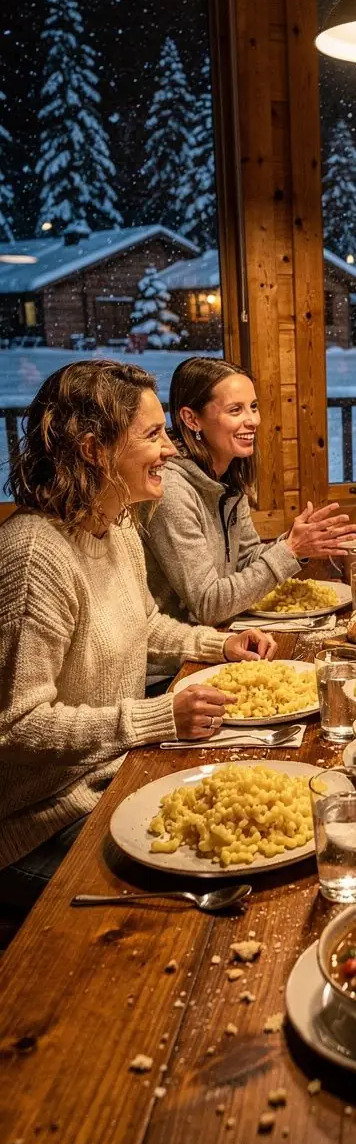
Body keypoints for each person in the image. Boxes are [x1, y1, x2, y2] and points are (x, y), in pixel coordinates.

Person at [0, 360, 275, 906]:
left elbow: (145, 624)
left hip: (114, 777)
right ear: (93, 451)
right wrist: (157, 716)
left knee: (251, 833)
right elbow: (18, 725)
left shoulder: (116, 526)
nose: (171, 450)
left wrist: (217, 644)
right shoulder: (35, 553)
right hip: (40, 824)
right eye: (153, 435)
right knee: (223, 880)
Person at [142, 357, 356, 627]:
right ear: (192, 419)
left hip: (221, 634)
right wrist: (289, 551)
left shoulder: (227, 476)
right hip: (179, 659)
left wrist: (297, 543)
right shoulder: (170, 491)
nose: (253, 420)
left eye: (253, 407)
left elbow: (245, 561)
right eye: (235, 410)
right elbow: (209, 605)